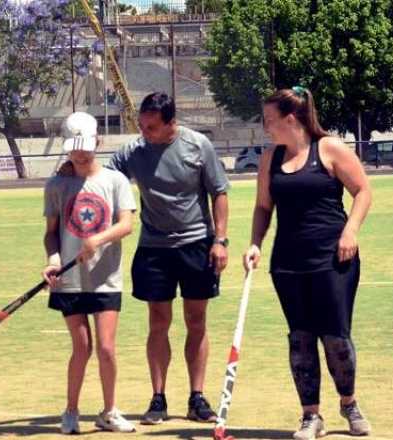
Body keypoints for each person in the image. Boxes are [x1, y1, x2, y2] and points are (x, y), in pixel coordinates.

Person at [243, 87, 373, 440]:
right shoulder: (270, 158)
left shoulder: (329, 148)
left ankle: (349, 403)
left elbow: (363, 191)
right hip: (288, 261)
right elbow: (262, 207)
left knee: (335, 336)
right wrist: (255, 243)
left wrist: (351, 231)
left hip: (334, 258)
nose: (265, 126)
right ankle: (310, 415)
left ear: (291, 119)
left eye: (269, 120)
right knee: (300, 338)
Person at [103, 92, 231, 424]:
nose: (144, 132)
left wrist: (220, 240)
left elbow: (219, 192)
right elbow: (102, 176)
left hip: (195, 245)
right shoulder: (135, 150)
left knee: (196, 321)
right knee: (158, 323)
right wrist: (72, 168)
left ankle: (197, 397)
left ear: (171, 122)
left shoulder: (197, 145)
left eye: (151, 127)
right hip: (154, 249)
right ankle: (158, 398)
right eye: (142, 126)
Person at [43, 112, 137, 434]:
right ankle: (70, 410)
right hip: (68, 280)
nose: (80, 154)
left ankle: (109, 411)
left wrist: (97, 238)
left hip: (105, 278)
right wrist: (54, 259)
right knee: (81, 346)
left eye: (85, 147)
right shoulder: (56, 184)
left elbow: (127, 224)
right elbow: (51, 232)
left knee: (107, 348)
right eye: (74, 149)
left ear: (98, 142)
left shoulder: (116, 181)